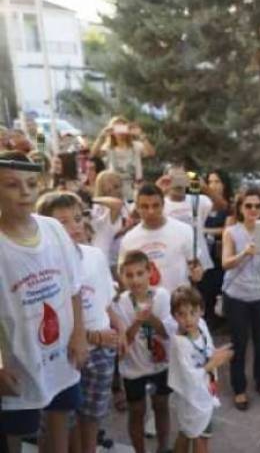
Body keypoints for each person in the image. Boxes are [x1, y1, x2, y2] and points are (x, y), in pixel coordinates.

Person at [0, 151, 88, 453]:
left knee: (59, 417)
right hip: (17, 360)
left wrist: (78, 334)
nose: (24, 192)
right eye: (12, 184)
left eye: (31, 183)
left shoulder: (52, 229)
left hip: (60, 352)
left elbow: (73, 287)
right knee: (16, 432)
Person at [35, 191, 127, 453]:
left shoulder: (94, 255)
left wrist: (118, 325)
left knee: (92, 417)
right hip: (65, 354)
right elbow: (47, 321)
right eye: (63, 222)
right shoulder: (44, 267)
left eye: (77, 218)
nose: (74, 226)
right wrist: (92, 336)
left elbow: (104, 300)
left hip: (101, 354)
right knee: (57, 424)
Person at [113, 250, 172, 453]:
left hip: (160, 365)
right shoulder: (119, 303)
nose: (135, 280)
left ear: (149, 272)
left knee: (161, 405)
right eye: (129, 275)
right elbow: (124, 341)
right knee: (136, 410)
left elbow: (166, 333)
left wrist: (150, 318)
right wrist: (138, 321)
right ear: (122, 277)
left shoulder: (162, 296)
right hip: (133, 368)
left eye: (140, 273)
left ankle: (163, 447)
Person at [222, 190, 260, 410]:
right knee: (239, 343)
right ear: (240, 208)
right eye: (248, 206)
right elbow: (225, 263)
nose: (253, 210)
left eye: (257, 206)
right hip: (237, 294)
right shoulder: (232, 232)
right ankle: (239, 388)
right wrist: (245, 253)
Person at [168, 286, 233, 453]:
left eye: (192, 312)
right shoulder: (179, 343)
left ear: (201, 311)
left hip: (205, 392)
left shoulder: (202, 326)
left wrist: (217, 354)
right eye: (181, 314)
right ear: (174, 316)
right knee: (200, 438)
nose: (188, 319)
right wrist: (213, 363)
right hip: (191, 400)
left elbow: (207, 351)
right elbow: (189, 376)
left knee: (188, 433)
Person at [120, 183, 202, 293]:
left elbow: (195, 263)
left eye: (155, 205)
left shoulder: (184, 230)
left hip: (178, 302)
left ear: (163, 205)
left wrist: (198, 272)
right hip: (147, 304)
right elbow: (124, 275)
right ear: (137, 208)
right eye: (145, 206)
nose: (151, 211)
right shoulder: (129, 240)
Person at [163, 166, 215, 276]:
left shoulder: (199, 200)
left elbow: (222, 206)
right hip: (174, 267)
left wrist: (204, 187)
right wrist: (159, 188)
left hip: (201, 265)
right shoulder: (159, 205)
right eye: (174, 178)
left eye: (181, 177)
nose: (178, 182)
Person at [90, 117, 155, 202]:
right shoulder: (108, 147)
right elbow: (93, 154)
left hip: (135, 187)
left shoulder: (136, 145)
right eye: (117, 128)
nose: (120, 131)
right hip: (115, 189)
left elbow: (151, 153)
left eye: (123, 127)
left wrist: (140, 135)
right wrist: (102, 136)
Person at [201, 169, 234, 323]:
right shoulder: (203, 204)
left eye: (217, 182)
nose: (213, 185)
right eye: (210, 182)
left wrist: (204, 230)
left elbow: (228, 229)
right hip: (205, 255)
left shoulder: (229, 205)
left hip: (221, 255)